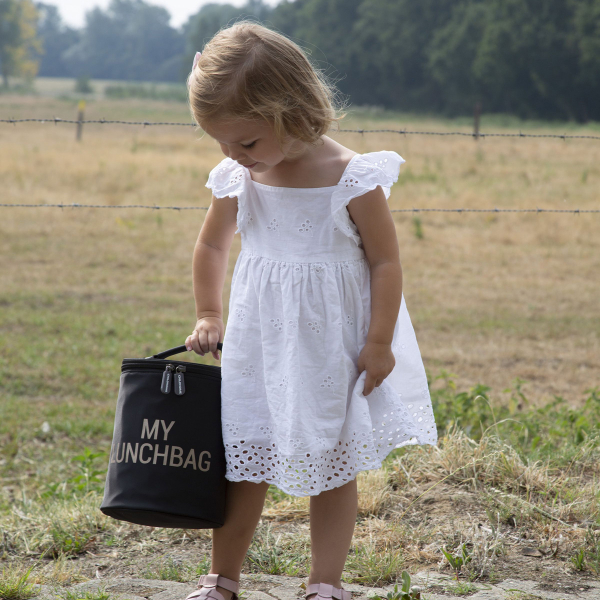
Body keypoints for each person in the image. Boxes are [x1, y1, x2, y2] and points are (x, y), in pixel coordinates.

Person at [183, 20, 437, 600]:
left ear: (292, 112)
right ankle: (222, 579)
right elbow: (212, 246)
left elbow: (385, 263)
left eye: (246, 143)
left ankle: (325, 583)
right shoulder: (239, 178)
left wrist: (379, 342)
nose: (234, 156)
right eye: (221, 144)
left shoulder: (352, 178)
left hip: (332, 349)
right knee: (244, 456)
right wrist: (208, 314)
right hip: (259, 343)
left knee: (332, 461)